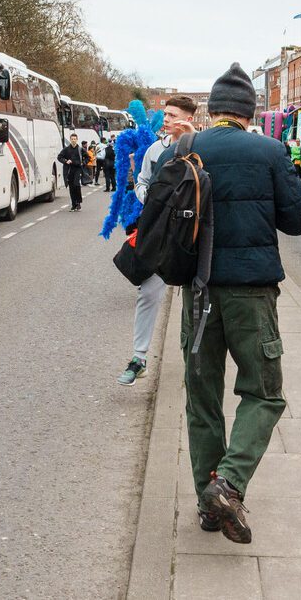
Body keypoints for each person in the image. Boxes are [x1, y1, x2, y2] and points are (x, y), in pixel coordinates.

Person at [184, 63, 301, 544]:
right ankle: (230, 484)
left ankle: (208, 503)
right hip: (252, 296)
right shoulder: (271, 150)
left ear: (211, 110)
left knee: (203, 398)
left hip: (197, 293)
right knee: (263, 392)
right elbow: (297, 222)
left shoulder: (186, 148)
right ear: (248, 112)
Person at [117, 96, 198, 386]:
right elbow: (141, 180)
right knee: (148, 293)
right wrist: (147, 198)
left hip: (191, 235)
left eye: (173, 114)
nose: (166, 119)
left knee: (195, 297)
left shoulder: (201, 146)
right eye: (165, 114)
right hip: (161, 231)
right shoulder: (154, 149)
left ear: (188, 118)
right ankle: (139, 359)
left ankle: (195, 361)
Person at [57, 134, 85, 210]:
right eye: (72, 139)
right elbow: (59, 157)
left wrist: (83, 162)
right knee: (71, 187)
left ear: (77, 139)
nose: (73, 140)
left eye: (74, 139)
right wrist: (66, 161)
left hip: (77, 169)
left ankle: (78, 202)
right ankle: (73, 204)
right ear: (70, 140)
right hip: (69, 170)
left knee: (76, 185)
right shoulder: (66, 149)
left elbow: (87, 157)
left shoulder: (80, 149)